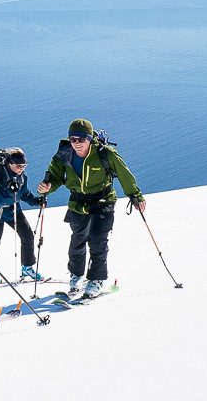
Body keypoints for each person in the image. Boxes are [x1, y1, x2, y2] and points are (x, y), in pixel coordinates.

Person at [36, 118, 146, 298]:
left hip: (103, 201)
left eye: (81, 139)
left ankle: (96, 279)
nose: (77, 143)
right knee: (77, 241)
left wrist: (135, 196)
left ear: (90, 138)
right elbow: (55, 176)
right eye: (73, 139)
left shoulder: (105, 154)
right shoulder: (64, 153)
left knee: (97, 239)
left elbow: (124, 174)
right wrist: (48, 186)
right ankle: (76, 275)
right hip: (78, 203)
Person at [0, 148, 47, 284]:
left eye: (24, 166)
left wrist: (37, 201)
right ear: (9, 163)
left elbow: (24, 193)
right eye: (18, 166)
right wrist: (8, 190)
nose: (21, 169)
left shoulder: (22, 177)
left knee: (28, 236)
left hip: (13, 210)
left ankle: (27, 266)